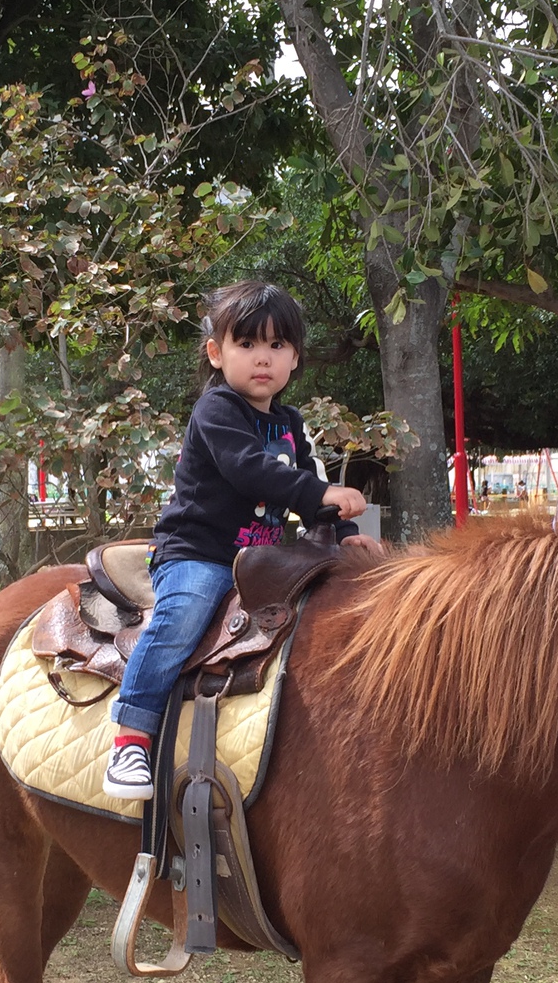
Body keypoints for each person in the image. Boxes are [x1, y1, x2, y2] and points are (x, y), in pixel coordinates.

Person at [102, 280, 369, 800]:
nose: (262, 358)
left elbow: (312, 489)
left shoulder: (291, 423)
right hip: (200, 554)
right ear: (216, 353)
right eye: (246, 345)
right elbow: (251, 471)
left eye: (276, 346)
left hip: (263, 560)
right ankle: (131, 736)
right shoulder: (217, 411)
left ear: (295, 358)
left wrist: (347, 533)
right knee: (182, 617)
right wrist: (324, 490)